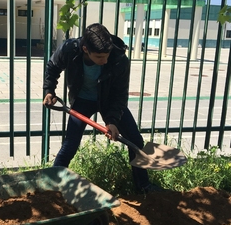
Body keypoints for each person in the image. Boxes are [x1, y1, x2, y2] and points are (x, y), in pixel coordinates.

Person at [43, 23, 164, 194]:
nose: (105, 61)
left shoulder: (119, 59)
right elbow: (53, 66)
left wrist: (112, 121)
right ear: (85, 49)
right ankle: (50, 187)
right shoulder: (69, 49)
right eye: (100, 57)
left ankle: (143, 186)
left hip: (109, 100)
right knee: (70, 145)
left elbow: (120, 94)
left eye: (107, 55)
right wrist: (49, 90)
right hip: (82, 100)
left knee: (135, 141)